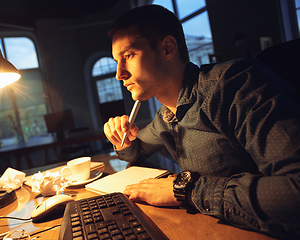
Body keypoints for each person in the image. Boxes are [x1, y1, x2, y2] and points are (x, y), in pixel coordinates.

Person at [103, 4, 300, 239]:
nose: (119, 73)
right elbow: (135, 151)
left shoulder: (235, 86)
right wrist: (120, 138)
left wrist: (186, 189)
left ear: (167, 49)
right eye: (117, 60)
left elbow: (295, 188)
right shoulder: (165, 116)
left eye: (128, 56)